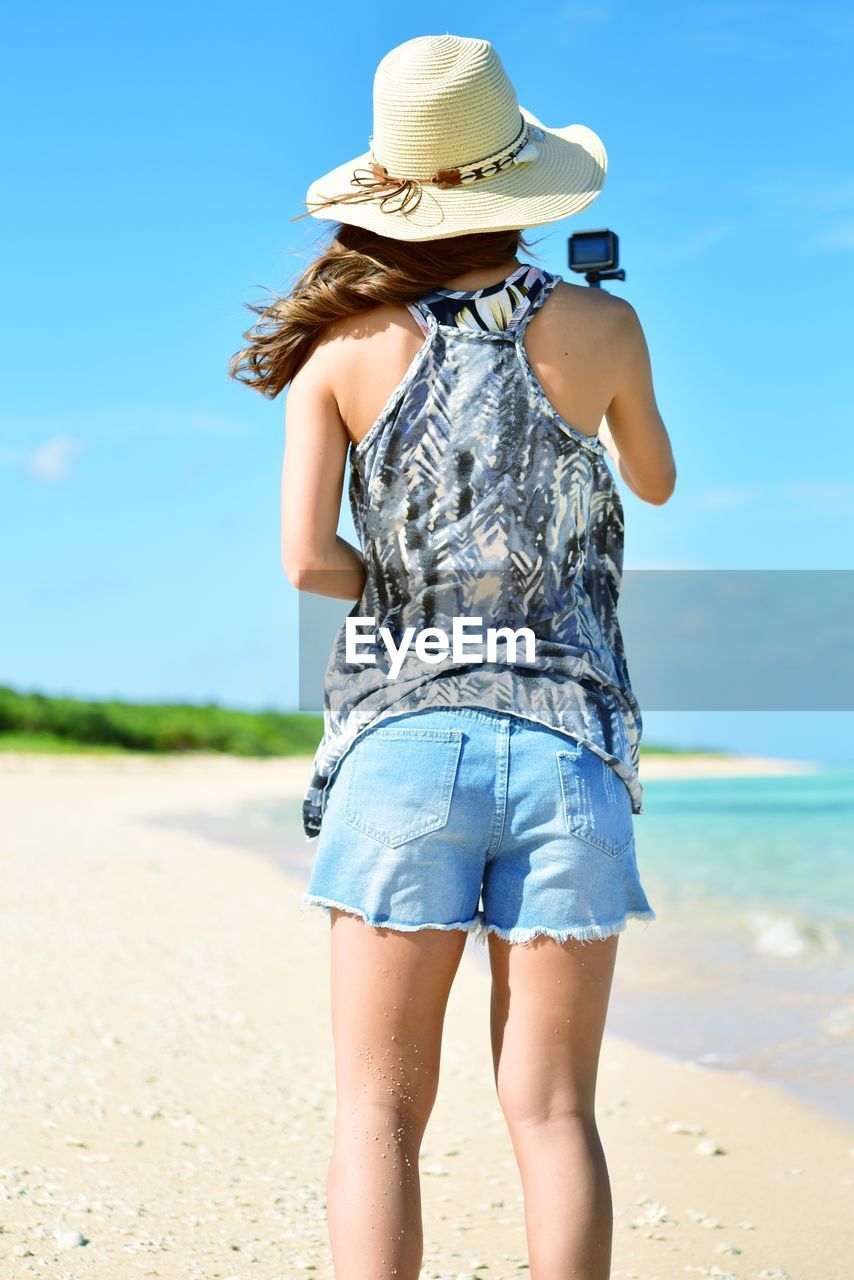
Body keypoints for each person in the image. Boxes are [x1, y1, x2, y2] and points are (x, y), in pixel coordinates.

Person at [229, 32, 676, 1280]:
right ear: (521, 191)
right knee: (552, 1113)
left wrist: (418, 589)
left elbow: (308, 563)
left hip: (402, 746)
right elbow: (655, 478)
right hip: (567, 747)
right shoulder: (604, 322)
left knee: (376, 1112)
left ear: (393, 191)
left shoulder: (340, 351)